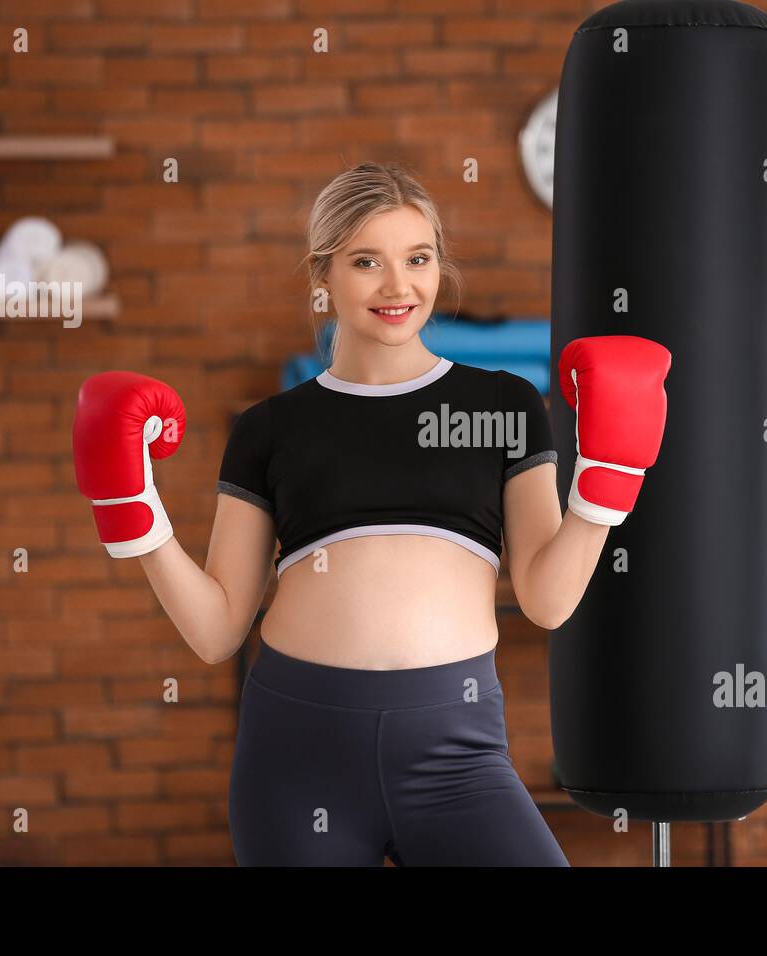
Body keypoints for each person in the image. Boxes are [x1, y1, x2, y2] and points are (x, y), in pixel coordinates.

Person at [71, 161, 670, 866]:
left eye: (418, 259)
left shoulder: (503, 406)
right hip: (298, 754)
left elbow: (546, 600)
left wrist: (609, 481)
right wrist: (133, 512)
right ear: (323, 277)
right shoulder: (271, 428)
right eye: (366, 262)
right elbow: (216, 631)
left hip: (457, 756)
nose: (398, 286)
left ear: (439, 267)